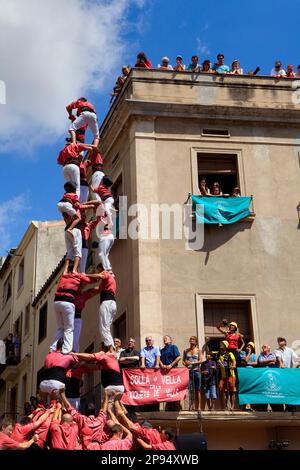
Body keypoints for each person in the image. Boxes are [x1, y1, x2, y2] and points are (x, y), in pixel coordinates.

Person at [50, 265, 101, 354]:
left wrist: (104, 279)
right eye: (81, 283)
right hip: (69, 313)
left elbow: (96, 289)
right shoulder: (71, 289)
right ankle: (61, 349)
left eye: (82, 283)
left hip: (77, 317)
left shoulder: (84, 294)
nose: (82, 284)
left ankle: (73, 353)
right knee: (65, 330)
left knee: (75, 339)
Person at [73, 285, 101, 352]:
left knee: (76, 338)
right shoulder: (71, 294)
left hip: (77, 317)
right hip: (69, 316)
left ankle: (75, 353)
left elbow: (96, 290)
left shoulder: (83, 295)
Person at [275, 337, 299, 411]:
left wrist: (298, 363)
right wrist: (281, 364)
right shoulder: (277, 350)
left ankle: (290, 407)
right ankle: (285, 407)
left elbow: (296, 358)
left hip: (289, 374)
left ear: (285, 342)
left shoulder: (290, 350)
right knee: (282, 391)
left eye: (281, 341)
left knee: (289, 390)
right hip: (281, 374)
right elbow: (278, 358)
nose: (280, 342)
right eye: (279, 341)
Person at [97, 267, 117, 350]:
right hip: (112, 303)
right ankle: (110, 347)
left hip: (107, 302)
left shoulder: (107, 275)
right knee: (106, 327)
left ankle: (110, 348)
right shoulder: (107, 282)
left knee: (103, 327)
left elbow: (100, 276)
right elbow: (97, 289)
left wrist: (86, 275)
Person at [160, 335, 182, 411]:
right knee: (167, 389)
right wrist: (162, 365)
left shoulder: (173, 347)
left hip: (173, 371)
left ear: (170, 340)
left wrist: (171, 365)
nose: (164, 339)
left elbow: (179, 357)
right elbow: (158, 358)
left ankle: (176, 406)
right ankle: (168, 406)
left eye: (166, 338)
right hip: (165, 372)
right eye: (163, 339)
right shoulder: (162, 350)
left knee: (174, 389)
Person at [182, 336, 202, 411]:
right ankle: (192, 405)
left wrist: (193, 363)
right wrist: (186, 363)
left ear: (196, 342)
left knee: (198, 389)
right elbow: (183, 361)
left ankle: (199, 406)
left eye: (193, 339)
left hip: (197, 371)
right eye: (190, 339)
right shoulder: (186, 351)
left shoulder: (198, 350)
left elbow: (200, 360)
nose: (191, 340)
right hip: (189, 371)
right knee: (190, 389)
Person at [217, 340, 237, 410]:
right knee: (223, 390)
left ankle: (232, 407)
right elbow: (218, 363)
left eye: (222, 344)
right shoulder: (218, 354)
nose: (220, 345)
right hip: (223, 376)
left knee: (231, 392)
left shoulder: (230, 353)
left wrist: (234, 366)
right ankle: (225, 406)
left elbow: (234, 361)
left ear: (225, 345)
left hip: (231, 375)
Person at [239, 341, 257, 411]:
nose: (248, 347)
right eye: (248, 345)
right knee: (245, 388)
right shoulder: (242, 353)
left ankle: (249, 405)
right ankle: (245, 405)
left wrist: (248, 364)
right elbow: (245, 361)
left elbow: (256, 363)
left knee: (251, 389)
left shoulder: (254, 355)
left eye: (250, 346)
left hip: (251, 374)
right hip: (244, 373)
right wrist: (249, 353)